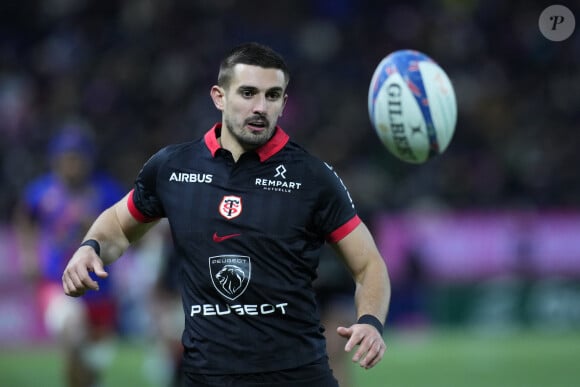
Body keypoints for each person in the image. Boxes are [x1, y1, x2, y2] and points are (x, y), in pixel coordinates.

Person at [61, 42, 391, 387]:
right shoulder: (172, 168)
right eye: (248, 93)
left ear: (284, 103)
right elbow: (117, 225)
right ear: (219, 96)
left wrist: (370, 321)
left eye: (272, 95)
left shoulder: (313, 178)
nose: (260, 107)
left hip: (297, 376)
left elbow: (369, 265)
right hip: (206, 377)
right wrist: (90, 248)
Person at [15, 122, 125, 387]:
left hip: (100, 288)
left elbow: (127, 225)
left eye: (76, 158)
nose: (71, 164)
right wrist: (28, 254)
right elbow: (24, 217)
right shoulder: (42, 191)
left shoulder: (106, 190)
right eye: (66, 158)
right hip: (57, 282)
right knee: (72, 331)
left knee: (92, 365)